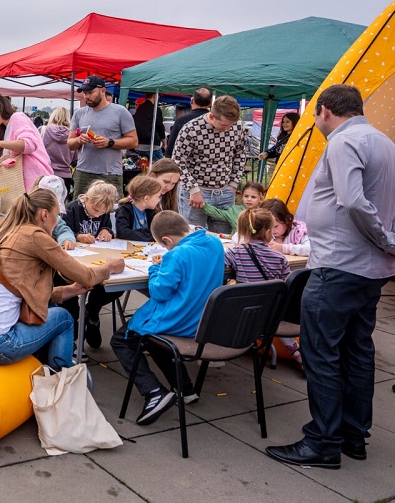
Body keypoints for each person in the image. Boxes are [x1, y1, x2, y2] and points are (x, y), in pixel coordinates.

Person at [266, 85, 395, 469]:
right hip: (365, 269)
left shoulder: (344, 141)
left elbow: (354, 200)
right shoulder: (383, 141)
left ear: (323, 111)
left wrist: (386, 239)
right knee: (357, 350)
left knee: (323, 355)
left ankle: (322, 442)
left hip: (340, 265)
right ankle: (353, 434)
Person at [0, 189, 124, 371]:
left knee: (50, 311)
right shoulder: (36, 237)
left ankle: (46, 367)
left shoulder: (10, 232)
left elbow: (26, 292)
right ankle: (60, 378)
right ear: (44, 214)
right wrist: (111, 267)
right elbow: (86, 276)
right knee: (64, 318)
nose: (58, 220)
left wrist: (72, 290)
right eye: (57, 215)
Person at [110, 211, 226, 425]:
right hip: (202, 321)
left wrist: (156, 269)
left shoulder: (176, 255)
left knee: (121, 340)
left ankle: (154, 392)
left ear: (166, 240)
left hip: (179, 320)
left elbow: (159, 292)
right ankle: (185, 388)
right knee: (154, 340)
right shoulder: (215, 244)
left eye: (164, 246)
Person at [226, 209, 299, 363]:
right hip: (270, 313)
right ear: (267, 232)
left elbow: (218, 268)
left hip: (244, 312)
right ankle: (296, 351)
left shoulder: (235, 252)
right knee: (273, 312)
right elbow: (286, 287)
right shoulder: (281, 259)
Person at [171, 95, 249, 234]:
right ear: (212, 116)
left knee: (225, 238)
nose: (228, 128)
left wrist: (233, 183)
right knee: (192, 236)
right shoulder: (191, 129)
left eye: (231, 124)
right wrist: (193, 189)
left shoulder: (237, 126)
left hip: (225, 191)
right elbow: (177, 161)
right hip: (196, 192)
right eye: (224, 125)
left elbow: (240, 154)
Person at [59, 181, 121, 349]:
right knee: (78, 288)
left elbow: (106, 225)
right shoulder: (72, 209)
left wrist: (106, 231)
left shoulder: (102, 211)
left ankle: (90, 312)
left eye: (102, 213)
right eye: (95, 210)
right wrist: (77, 236)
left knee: (116, 285)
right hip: (77, 260)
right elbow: (63, 231)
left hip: (97, 257)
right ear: (86, 199)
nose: (97, 215)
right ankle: (88, 318)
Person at [68, 76, 138, 197]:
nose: (87, 96)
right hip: (83, 172)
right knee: (79, 211)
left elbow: (133, 141)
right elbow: (70, 143)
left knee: (111, 212)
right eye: (85, 93)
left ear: (103, 91)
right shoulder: (79, 113)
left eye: (90, 92)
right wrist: (79, 140)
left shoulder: (120, 112)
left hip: (109, 174)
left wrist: (109, 142)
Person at [0, 94, 53, 191]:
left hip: (35, 183)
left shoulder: (17, 117)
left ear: (0, 108)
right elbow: (8, 159)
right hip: (24, 186)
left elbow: (28, 145)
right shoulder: (5, 129)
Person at [165, 87, 212, 157]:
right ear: (210, 103)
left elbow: (170, 149)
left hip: (186, 164)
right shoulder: (215, 122)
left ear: (192, 100)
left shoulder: (181, 121)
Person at [115, 174, 163, 241]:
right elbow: (122, 233)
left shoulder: (151, 212)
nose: (159, 200)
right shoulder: (124, 211)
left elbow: (159, 233)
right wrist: (149, 236)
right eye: (158, 196)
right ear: (146, 198)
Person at [42, 107, 76, 196]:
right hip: (65, 176)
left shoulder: (43, 131)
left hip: (45, 174)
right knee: (61, 207)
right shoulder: (73, 136)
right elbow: (76, 157)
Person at [133, 92, 166, 161]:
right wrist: (164, 143)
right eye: (158, 96)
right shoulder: (156, 109)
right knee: (161, 168)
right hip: (152, 145)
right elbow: (160, 127)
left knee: (143, 167)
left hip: (138, 146)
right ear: (154, 96)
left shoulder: (139, 109)